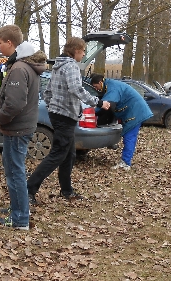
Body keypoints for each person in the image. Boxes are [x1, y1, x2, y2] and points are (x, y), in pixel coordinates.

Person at [26, 38, 110, 204]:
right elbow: (76, 89)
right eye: (83, 51)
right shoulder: (71, 66)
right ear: (76, 50)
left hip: (60, 115)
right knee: (57, 154)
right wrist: (99, 102)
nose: (84, 54)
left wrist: (53, 107)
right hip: (64, 117)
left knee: (69, 154)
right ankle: (29, 190)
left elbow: (47, 92)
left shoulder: (58, 66)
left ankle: (66, 190)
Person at [0, 25, 47, 230]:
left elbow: (14, 104)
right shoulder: (25, 65)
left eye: (0, 43)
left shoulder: (18, 68)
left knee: (15, 173)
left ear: (10, 43)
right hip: (21, 126)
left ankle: (20, 219)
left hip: (17, 128)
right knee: (14, 171)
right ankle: (18, 209)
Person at [89, 74, 152, 170]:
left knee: (129, 137)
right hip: (134, 110)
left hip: (136, 111)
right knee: (130, 136)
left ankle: (125, 163)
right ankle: (126, 161)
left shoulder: (112, 87)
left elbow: (106, 104)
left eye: (95, 86)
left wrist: (91, 111)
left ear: (100, 82)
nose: (95, 89)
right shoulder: (110, 84)